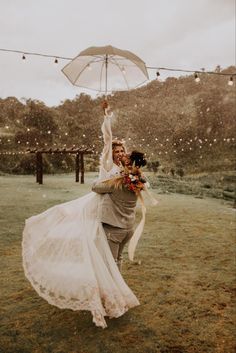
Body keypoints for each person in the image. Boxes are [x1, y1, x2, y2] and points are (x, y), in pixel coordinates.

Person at [22, 105, 139, 329]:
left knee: (111, 259)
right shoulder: (107, 165)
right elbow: (107, 141)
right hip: (98, 213)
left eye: (122, 151)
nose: (120, 153)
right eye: (117, 151)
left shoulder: (126, 171)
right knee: (100, 257)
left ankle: (115, 290)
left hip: (113, 216)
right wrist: (107, 119)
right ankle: (107, 293)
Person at [92, 151, 147, 271]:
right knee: (118, 258)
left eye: (126, 157)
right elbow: (143, 178)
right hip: (128, 228)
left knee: (109, 263)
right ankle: (118, 283)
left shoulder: (117, 183)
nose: (123, 155)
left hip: (114, 229)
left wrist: (104, 177)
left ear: (128, 163)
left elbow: (95, 187)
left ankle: (113, 287)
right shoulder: (140, 181)